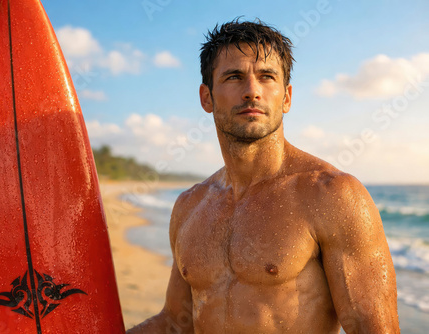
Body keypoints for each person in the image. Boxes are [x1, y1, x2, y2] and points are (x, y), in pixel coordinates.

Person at [127, 19, 399, 334]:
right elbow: (175, 324)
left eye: (267, 77)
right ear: (206, 97)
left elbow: (374, 330)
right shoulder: (190, 205)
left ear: (286, 97)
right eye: (234, 77)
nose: (252, 92)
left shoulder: (332, 195)